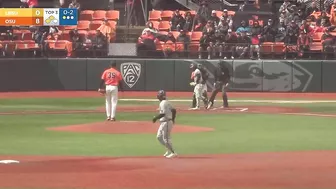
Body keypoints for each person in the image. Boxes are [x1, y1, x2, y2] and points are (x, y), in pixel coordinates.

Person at [152, 90, 177, 158]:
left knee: (166, 138)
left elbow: (163, 114)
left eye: (159, 95)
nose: (158, 96)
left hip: (167, 122)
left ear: (162, 96)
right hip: (165, 122)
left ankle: (173, 152)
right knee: (159, 137)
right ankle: (168, 149)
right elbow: (174, 110)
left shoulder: (163, 103)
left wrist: (155, 118)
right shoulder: (167, 102)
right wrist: (173, 118)